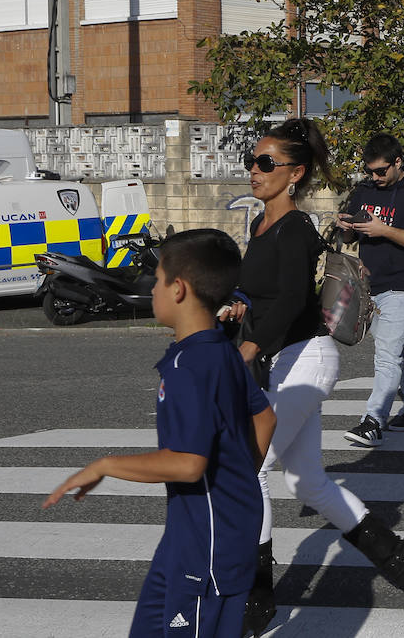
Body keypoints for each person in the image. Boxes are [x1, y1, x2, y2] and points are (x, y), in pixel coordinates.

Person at [223, 118, 404, 632]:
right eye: (252, 161)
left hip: (307, 359)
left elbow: (295, 297)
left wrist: (250, 344)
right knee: (307, 481)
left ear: (293, 174)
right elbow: (262, 293)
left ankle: (256, 598)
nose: (255, 170)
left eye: (266, 163)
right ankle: (402, 560)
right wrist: (236, 307)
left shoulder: (296, 229)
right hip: (284, 360)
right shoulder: (260, 224)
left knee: (249, 466)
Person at [44, 229, 276, 638]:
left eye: (157, 278)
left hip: (209, 548)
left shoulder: (192, 366)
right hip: (189, 538)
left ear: (179, 289)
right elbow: (264, 419)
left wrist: (104, 465)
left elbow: (188, 464)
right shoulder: (217, 349)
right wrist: (236, 481)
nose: (150, 288)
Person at [338, 133, 404, 448]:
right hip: (372, 283)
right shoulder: (365, 190)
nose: (375, 177)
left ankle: (373, 421)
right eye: (370, 171)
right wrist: (346, 227)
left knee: (386, 354)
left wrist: (384, 230)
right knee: (395, 348)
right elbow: (350, 238)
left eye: (381, 171)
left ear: (398, 162)